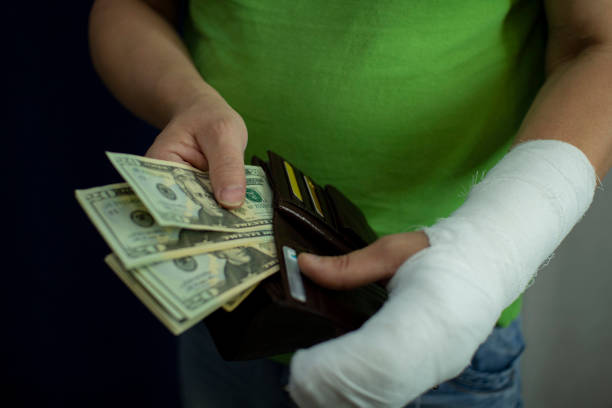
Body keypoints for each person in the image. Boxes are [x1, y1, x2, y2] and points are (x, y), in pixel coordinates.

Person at [88, 0, 612, 406]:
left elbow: (599, 44)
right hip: (229, 301)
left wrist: (484, 252)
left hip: (437, 320)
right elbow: (130, 7)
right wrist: (185, 99)